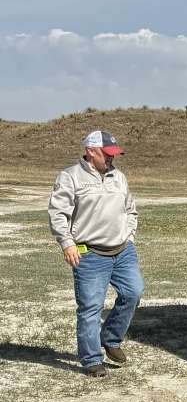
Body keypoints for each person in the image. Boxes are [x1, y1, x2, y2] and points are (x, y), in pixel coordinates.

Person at [47, 130, 144, 378]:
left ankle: (110, 339)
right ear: (91, 152)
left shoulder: (118, 177)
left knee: (133, 292)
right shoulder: (70, 177)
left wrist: (129, 236)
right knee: (91, 307)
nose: (111, 159)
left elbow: (130, 210)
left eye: (114, 154)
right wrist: (67, 243)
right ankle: (92, 360)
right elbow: (58, 213)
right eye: (107, 154)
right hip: (89, 253)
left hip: (123, 251)